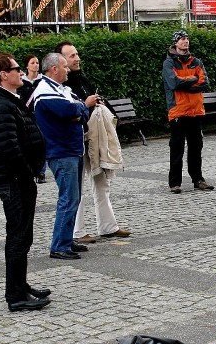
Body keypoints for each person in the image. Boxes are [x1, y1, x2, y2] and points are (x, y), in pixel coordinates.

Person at [0, 53, 49, 312]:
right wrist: (27, 171)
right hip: (14, 179)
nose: (21, 73)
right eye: (16, 69)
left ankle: (20, 286)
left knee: (23, 235)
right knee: (18, 236)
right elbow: (8, 147)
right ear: (3, 75)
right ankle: (15, 295)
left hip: (20, 177)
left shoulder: (9, 99)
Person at [56, 41, 132, 243]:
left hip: (93, 138)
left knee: (101, 181)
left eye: (76, 54)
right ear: (61, 60)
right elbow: (68, 111)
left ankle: (108, 226)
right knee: (76, 187)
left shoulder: (82, 78)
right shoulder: (60, 86)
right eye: (71, 56)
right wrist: (86, 104)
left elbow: (96, 101)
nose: (76, 58)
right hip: (75, 140)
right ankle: (77, 232)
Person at [30, 52, 89, 260]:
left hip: (73, 149)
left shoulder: (62, 88)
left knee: (74, 197)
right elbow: (68, 111)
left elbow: (81, 110)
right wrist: (80, 109)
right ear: (54, 69)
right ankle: (59, 245)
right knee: (68, 198)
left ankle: (66, 238)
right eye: (64, 66)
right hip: (61, 151)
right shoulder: (45, 90)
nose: (68, 70)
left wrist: (79, 110)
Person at [162, 29, 214, 195]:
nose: (186, 41)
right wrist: (192, 79)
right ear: (176, 43)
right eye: (182, 39)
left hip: (195, 111)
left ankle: (198, 179)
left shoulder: (196, 61)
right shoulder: (169, 63)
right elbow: (173, 83)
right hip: (178, 111)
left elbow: (205, 83)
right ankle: (175, 183)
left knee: (196, 147)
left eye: (187, 39)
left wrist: (186, 83)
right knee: (176, 148)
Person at [19, 54, 47, 184]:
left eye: (37, 63)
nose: (36, 65)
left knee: (41, 142)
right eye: (32, 63)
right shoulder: (21, 82)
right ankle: (31, 168)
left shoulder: (43, 81)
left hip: (41, 114)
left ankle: (41, 172)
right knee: (30, 142)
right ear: (27, 66)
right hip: (27, 115)